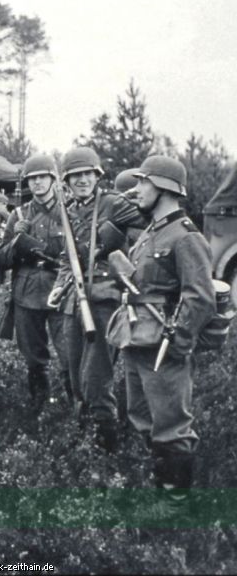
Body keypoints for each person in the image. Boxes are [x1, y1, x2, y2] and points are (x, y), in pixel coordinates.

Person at [106, 155, 216, 493]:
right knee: (142, 420)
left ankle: (176, 505)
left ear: (164, 188)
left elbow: (201, 298)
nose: (136, 190)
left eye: (143, 182)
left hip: (163, 347)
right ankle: (157, 488)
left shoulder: (184, 237)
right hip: (136, 340)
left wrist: (178, 342)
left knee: (172, 427)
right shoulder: (151, 233)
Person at [47, 146, 145, 452]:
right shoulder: (68, 210)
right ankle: (84, 435)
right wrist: (59, 285)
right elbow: (68, 257)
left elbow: (151, 224)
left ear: (97, 176)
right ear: (67, 180)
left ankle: (107, 446)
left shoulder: (115, 204)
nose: (82, 180)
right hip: (74, 302)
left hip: (104, 299)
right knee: (74, 375)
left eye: (87, 174)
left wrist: (125, 257)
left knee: (96, 378)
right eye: (75, 175)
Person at [0, 154, 69, 415]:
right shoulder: (18, 214)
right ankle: (39, 407)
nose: (37, 183)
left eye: (42, 177)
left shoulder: (68, 211)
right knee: (33, 358)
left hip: (62, 291)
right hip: (27, 293)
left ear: (53, 179)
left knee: (69, 354)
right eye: (33, 179)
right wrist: (18, 241)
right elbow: (2, 259)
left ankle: (75, 411)